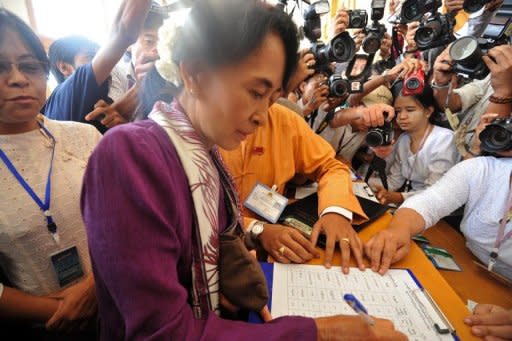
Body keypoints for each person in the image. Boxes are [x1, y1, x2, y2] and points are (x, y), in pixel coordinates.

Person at [81, 1, 406, 340]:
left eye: (271, 98)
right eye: (255, 92)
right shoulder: (129, 155)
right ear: (194, 75)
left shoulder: (205, 154)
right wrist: (322, 332)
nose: (263, 116)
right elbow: (162, 332)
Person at [0, 8, 102, 337]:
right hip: (42, 324)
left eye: (30, 66)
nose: (17, 78)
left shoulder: (84, 137)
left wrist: (93, 290)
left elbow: (127, 222)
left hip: (114, 299)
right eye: (0, 67)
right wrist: (59, 310)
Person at [220, 101, 368, 274]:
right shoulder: (194, 125)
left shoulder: (284, 119)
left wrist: (335, 210)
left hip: (275, 243)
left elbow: (330, 166)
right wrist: (255, 228)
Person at [364, 113, 512, 280]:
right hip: (470, 264)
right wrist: (399, 229)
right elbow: (430, 202)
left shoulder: (443, 139)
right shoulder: (482, 169)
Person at [42, 0, 153, 133]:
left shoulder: (89, 102)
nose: (108, 67)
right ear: (64, 68)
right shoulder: (68, 92)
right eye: (90, 57)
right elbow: (124, 30)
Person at [373, 81, 459, 205]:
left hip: (440, 209)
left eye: (409, 110)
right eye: (397, 111)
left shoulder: (444, 140)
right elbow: (394, 181)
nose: (402, 117)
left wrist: (398, 197)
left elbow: (435, 192)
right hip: (414, 202)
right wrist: (363, 184)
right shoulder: (403, 140)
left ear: (428, 111)